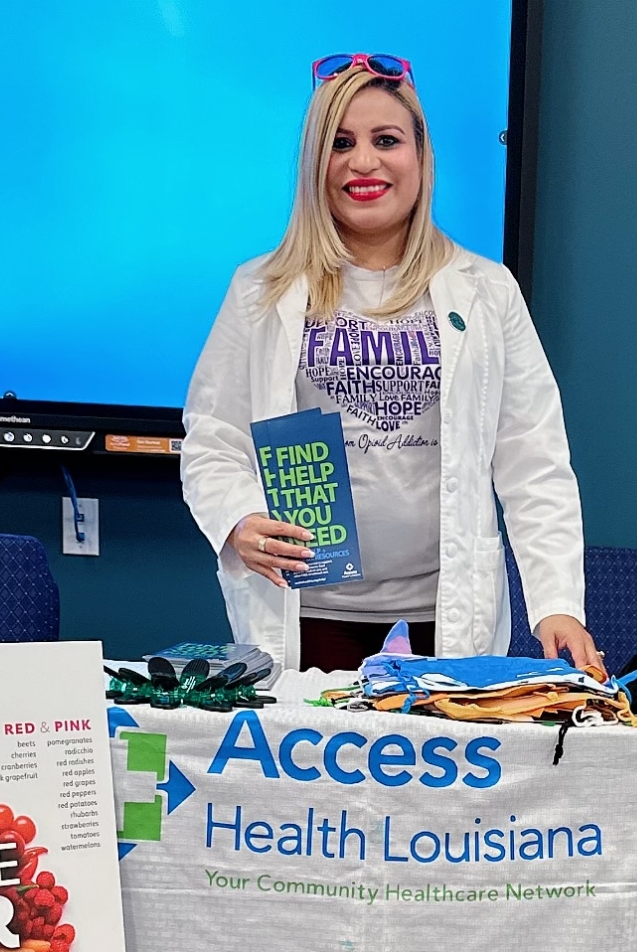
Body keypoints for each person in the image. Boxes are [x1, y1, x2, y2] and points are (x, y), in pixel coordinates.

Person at [180, 52, 598, 677]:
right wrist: (238, 519)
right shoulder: (260, 290)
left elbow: (534, 459)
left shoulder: (487, 291)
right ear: (314, 163)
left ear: (421, 156)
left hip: (445, 615)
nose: (363, 162)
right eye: (340, 143)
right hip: (307, 613)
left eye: (386, 140)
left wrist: (557, 603)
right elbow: (213, 439)